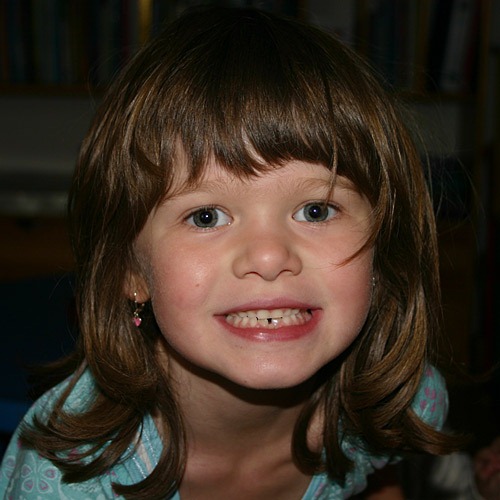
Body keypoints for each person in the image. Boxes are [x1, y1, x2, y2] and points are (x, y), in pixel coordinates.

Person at [0, 6, 462, 499]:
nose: (268, 257)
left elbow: (378, 476)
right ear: (128, 270)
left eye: (316, 210)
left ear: (382, 250)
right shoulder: (66, 479)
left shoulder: (402, 402)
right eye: (206, 217)